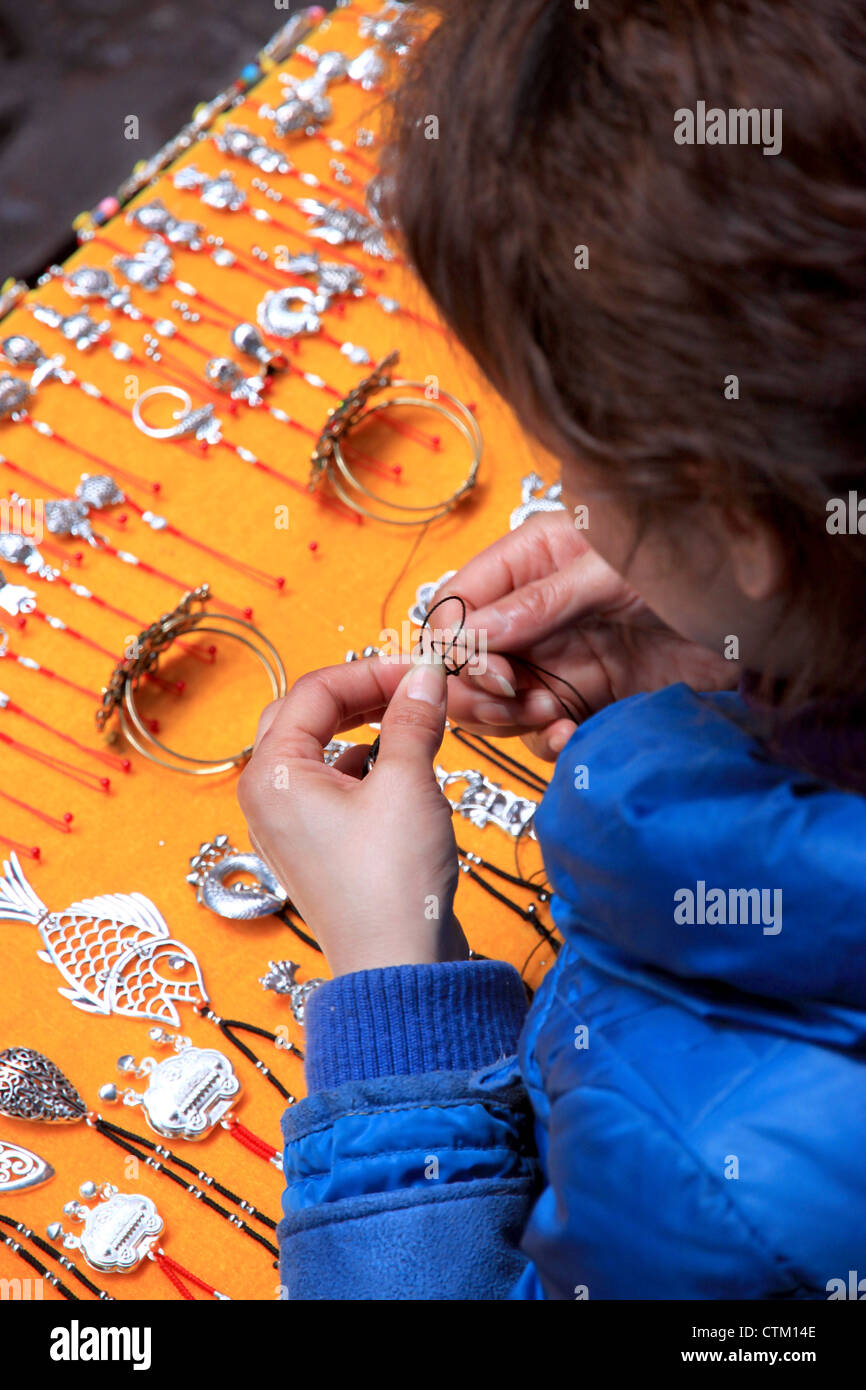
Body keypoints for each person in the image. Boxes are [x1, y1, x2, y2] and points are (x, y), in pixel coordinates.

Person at [237, 0, 866, 1298]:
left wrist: (392, 984)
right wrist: (758, 646)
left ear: (731, 509)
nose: (560, 502)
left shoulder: (727, 1192)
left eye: (565, 458)